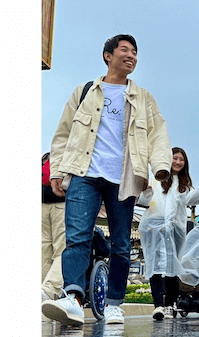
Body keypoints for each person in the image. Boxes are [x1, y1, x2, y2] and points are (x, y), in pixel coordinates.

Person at [42, 34, 172, 326]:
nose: (131, 56)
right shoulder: (85, 92)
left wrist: (160, 167)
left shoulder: (143, 98)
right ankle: (73, 298)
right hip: (84, 174)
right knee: (76, 238)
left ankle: (114, 303)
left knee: (122, 245)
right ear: (108, 56)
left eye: (135, 52)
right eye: (124, 50)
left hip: (123, 178)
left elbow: (158, 134)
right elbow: (63, 133)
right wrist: (58, 171)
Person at [138, 147, 199, 320]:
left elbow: (194, 197)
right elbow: (143, 201)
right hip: (153, 227)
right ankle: (158, 306)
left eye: (181, 160)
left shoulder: (184, 185)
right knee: (154, 267)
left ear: (185, 164)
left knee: (172, 268)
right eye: (174, 158)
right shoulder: (155, 179)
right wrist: (146, 192)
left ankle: (169, 305)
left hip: (175, 229)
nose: (177, 162)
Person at [42, 153, 66, 303]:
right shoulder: (66, 155)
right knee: (62, 250)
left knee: (43, 251)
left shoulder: (45, 158)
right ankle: (49, 291)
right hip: (61, 204)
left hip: (41, 204)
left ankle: (40, 294)